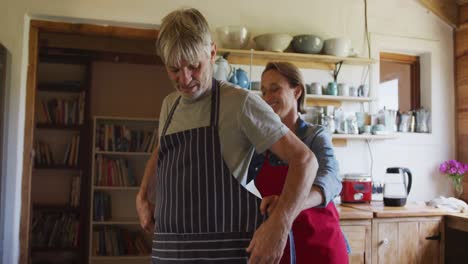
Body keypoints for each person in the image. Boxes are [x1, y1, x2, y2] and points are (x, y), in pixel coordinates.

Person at [136, 8, 319, 263]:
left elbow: (305, 160)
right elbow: (162, 152)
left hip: (225, 254)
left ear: (212, 53)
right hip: (171, 254)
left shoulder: (240, 104)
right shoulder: (170, 105)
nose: (185, 79)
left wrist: (280, 225)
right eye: (174, 69)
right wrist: (143, 195)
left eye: (193, 66)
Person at [247, 61, 349, 263]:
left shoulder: (315, 135)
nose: (267, 98)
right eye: (264, 92)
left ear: (297, 92)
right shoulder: (259, 145)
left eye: (275, 89)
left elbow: (331, 179)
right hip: (279, 247)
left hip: (322, 246)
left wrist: (287, 205)